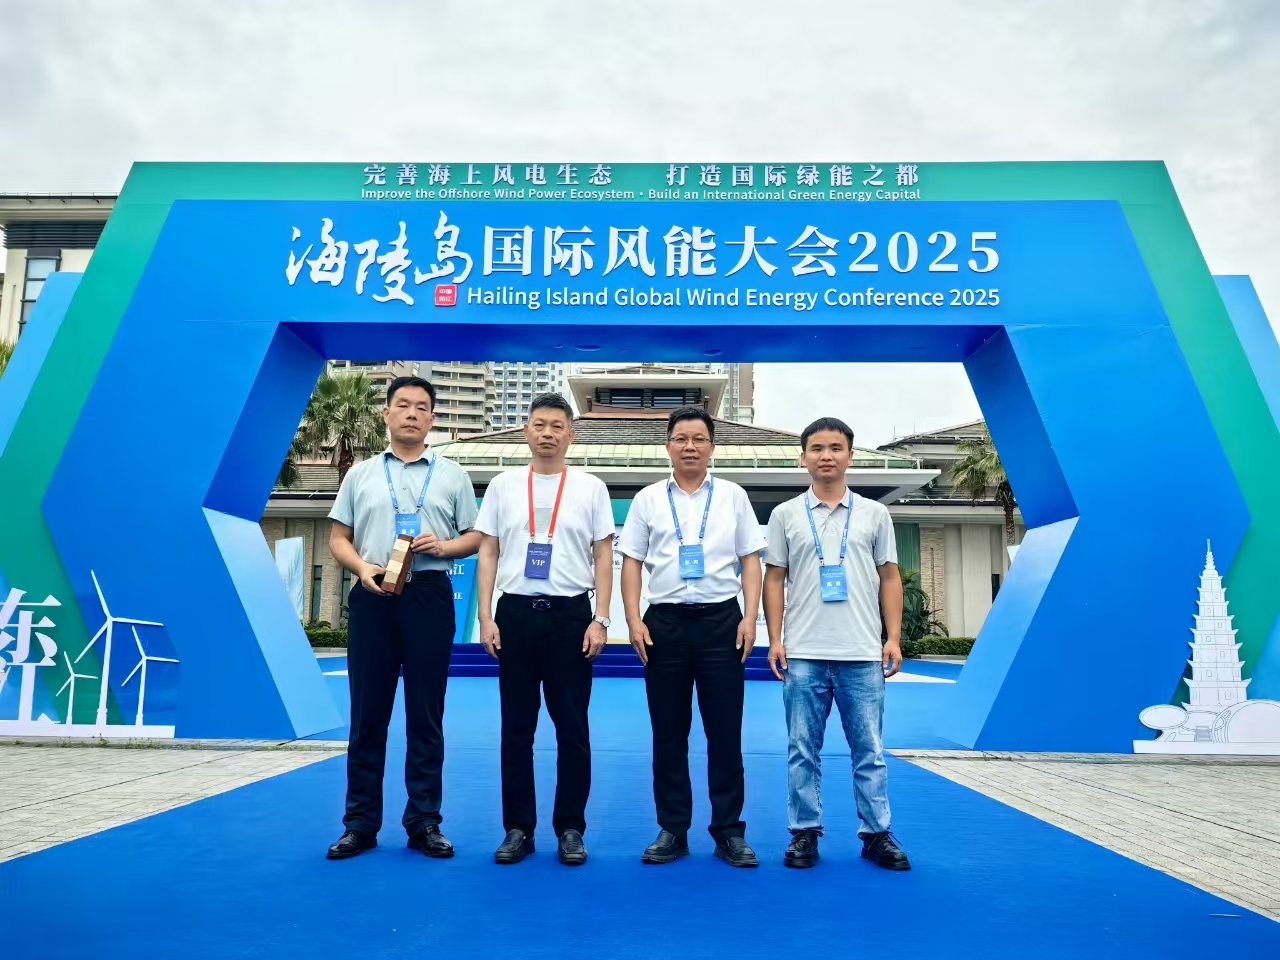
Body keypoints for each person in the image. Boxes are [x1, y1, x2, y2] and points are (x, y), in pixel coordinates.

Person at [326, 376, 481, 861]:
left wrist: (445, 546)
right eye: (403, 405)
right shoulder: (361, 475)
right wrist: (361, 568)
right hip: (373, 595)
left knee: (425, 714)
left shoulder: (453, 475)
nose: (412, 413)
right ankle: (359, 824)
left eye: (421, 407)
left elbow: (475, 537)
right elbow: (338, 539)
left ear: (432, 418)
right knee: (367, 715)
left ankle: (424, 822)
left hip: (428, 595)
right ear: (387, 414)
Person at [762, 416, 911, 871]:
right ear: (803, 457)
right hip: (804, 653)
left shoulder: (875, 514)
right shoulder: (785, 514)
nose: (826, 456)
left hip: (861, 653)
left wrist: (893, 637)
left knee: (870, 751)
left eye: (835, 448)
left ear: (850, 455)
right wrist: (775, 638)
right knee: (801, 750)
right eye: (817, 448)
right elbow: (774, 578)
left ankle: (877, 834)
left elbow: (890, 577)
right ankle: (804, 832)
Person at [619, 406, 765, 868]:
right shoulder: (647, 499)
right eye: (681, 438)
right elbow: (631, 563)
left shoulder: (733, 496)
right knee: (668, 733)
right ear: (668, 446)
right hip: (664, 624)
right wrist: (633, 620)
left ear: (712, 447)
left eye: (699, 438)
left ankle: (729, 831)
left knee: (725, 732)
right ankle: (673, 829)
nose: (690, 446)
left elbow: (751, 560)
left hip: (722, 622)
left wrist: (750, 618)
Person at [474, 393, 615, 866]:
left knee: (572, 728)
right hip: (514, 614)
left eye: (557, 426)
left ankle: (571, 828)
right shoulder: (503, 485)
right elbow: (488, 550)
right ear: (526, 431)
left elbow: (602, 555)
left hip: (570, 616)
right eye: (539, 424)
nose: (548, 433)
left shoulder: (591, 487)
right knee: (516, 729)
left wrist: (600, 618)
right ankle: (518, 829)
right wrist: (486, 616)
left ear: (571, 434)